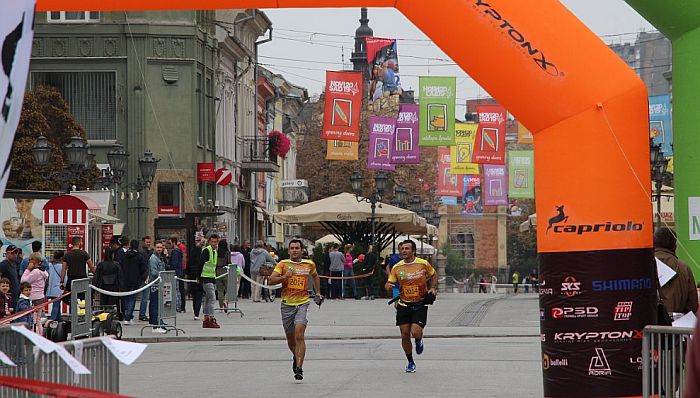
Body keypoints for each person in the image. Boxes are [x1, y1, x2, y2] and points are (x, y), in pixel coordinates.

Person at [268, 239, 322, 382]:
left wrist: (318, 292)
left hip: (302, 303)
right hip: (286, 305)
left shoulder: (309, 264)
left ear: (302, 250)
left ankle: (299, 367)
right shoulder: (283, 264)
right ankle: (295, 355)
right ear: (289, 250)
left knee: (299, 335)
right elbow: (270, 280)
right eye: (292, 248)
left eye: (297, 248)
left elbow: (316, 276)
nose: (294, 250)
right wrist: (284, 277)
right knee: (291, 340)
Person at [385, 240, 438, 373]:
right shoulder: (397, 267)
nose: (403, 251)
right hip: (403, 304)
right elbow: (389, 283)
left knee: (415, 332)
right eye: (402, 248)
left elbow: (433, 275)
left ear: (413, 251)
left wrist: (432, 288)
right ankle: (410, 362)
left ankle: (419, 340)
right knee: (404, 335)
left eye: (407, 248)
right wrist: (388, 286)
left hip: (419, 303)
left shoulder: (423, 264)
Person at [654, 227, 698, 315]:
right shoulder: (685, 269)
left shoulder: (642, 267)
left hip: (648, 325)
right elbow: (693, 305)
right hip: (677, 325)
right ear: (674, 247)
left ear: (653, 244)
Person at [60, 237, 95, 305]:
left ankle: (72, 313)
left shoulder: (67, 255)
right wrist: (96, 275)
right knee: (84, 298)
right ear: (79, 243)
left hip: (71, 280)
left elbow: (63, 269)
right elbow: (91, 266)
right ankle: (83, 313)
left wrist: (61, 281)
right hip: (82, 279)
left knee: (71, 299)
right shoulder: (84, 254)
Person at [20, 252, 48, 334]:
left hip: (33, 298)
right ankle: (41, 336)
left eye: (30, 260)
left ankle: (35, 337)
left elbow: (23, 281)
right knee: (38, 319)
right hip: (40, 297)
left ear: (34, 260)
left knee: (33, 320)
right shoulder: (44, 272)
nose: (29, 262)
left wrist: (27, 270)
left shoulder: (36, 272)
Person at [121, 240, 148, 325]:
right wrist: (142, 278)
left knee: (126, 298)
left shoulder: (124, 256)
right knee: (132, 298)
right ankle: (128, 317)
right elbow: (143, 269)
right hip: (135, 280)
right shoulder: (139, 257)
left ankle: (126, 315)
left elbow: (120, 265)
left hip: (125, 279)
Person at [199, 234, 220, 328]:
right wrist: (198, 277)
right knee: (212, 298)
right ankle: (211, 318)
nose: (214, 244)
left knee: (208, 299)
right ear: (209, 241)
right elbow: (200, 264)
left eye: (215, 242)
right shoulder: (207, 251)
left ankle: (206, 319)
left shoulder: (214, 252)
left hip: (211, 277)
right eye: (212, 242)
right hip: (206, 278)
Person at [147, 241, 167, 333]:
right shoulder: (153, 258)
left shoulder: (161, 257)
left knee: (158, 304)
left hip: (160, 284)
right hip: (155, 285)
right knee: (155, 304)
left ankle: (159, 322)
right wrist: (162, 274)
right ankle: (156, 325)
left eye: (160, 247)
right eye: (157, 247)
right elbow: (154, 272)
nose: (159, 249)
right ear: (154, 247)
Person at [187, 235, 204, 320]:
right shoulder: (202, 255)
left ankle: (195, 312)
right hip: (200, 276)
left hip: (192, 276)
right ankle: (197, 312)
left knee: (194, 295)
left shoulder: (192, 254)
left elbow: (188, 265)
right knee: (199, 295)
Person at [46, 251, 65, 321]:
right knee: (56, 305)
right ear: (62, 258)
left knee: (57, 304)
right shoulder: (61, 266)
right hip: (58, 289)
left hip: (50, 289)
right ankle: (52, 320)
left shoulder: (50, 265)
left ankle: (58, 319)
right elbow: (64, 278)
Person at [138, 236, 153, 322]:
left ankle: (142, 313)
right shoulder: (143, 252)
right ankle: (142, 314)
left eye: (149, 242)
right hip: (144, 276)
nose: (148, 243)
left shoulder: (145, 251)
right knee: (145, 296)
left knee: (146, 296)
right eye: (147, 242)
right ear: (143, 242)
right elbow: (145, 263)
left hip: (146, 276)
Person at [167, 237, 185, 313]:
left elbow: (174, 264)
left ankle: (177, 306)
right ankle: (179, 305)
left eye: (170, 243)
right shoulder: (179, 251)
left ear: (174, 242)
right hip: (179, 272)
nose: (169, 245)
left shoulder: (175, 252)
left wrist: (169, 268)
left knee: (176, 290)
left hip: (175, 273)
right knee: (178, 290)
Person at [0, 245, 20, 310]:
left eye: (16, 253)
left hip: (15, 297)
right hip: (7, 298)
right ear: (7, 254)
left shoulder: (14, 264)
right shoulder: (3, 265)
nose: (15, 255)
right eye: (12, 253)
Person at [215, 239, 230, 310]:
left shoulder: (216, 252)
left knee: (219, 290)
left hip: (217, 271)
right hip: (225, 271)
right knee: (228, 288)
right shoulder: (227, 252)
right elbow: (229, 262)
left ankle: (221, 305)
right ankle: (226, 300)